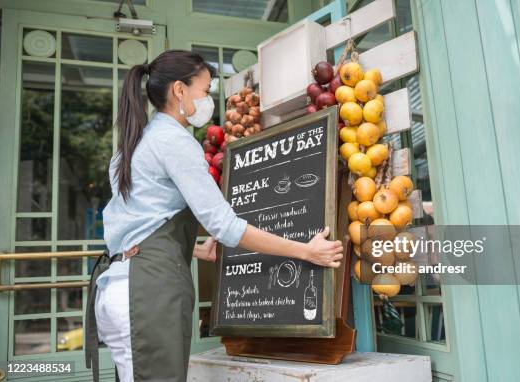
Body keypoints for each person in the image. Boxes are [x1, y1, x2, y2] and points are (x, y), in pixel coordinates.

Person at [84, 50, 343, 382]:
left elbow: (138, 225)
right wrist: (306, 251)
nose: (208, 100)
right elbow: (226, 226)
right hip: (146, 296)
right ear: (180, 90)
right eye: (205, 91)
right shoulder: (174, 141)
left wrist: (191, 248)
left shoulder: (132, 145)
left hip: (120, 288)